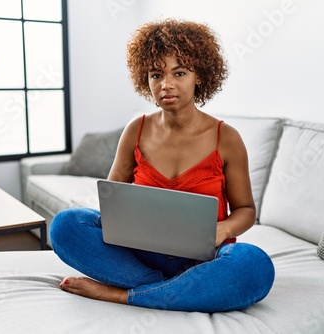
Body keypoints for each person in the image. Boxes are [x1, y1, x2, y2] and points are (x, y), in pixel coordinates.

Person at [49, 19, 275, 312]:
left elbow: (246, 211)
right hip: (141, 255)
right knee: (65, 225)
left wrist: (221, 230)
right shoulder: (136, 130)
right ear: (146, 80)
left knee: (254, 266)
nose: (166, 84)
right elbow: (112, 198)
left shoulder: (227, 138)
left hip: (204, 258)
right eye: (156, 75)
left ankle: (123, 294)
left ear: (200, 77)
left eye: (179, 73)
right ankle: (174, 289)